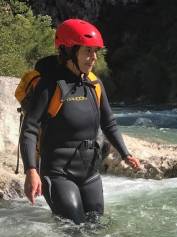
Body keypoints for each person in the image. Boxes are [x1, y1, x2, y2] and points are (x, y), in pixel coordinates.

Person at [20, 19, 141, 224]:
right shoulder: (50, 86)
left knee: (96, 229)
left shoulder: (94, 83)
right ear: (69, 52)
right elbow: (29, 130)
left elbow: (109, 123)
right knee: (74, 231)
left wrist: (125, 153)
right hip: (58, 175)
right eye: (87, 51)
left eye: (95, 52)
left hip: (89, 174)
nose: (93, 58)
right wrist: (31, 171)